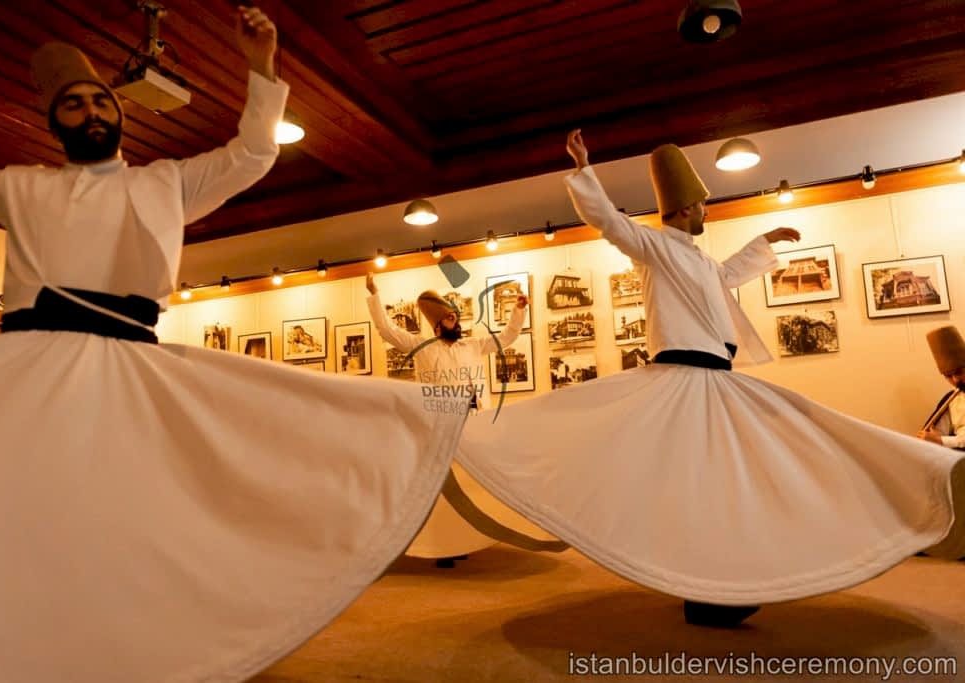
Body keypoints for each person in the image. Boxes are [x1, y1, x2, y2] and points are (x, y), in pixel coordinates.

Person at [0, 8, 469, 682]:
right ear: (54, 121)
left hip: (131, 368)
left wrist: (260, 68)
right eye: (72, 104)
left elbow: (253, 154)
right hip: (33, 367)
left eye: (101, 98)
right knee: (24, 509)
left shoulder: (165, 181)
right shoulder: (18, 186)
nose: (91, 110)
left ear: (120, 114)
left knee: (133, 514)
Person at [453, 129, 965, 628]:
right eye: (701, 204)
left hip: (716, 383)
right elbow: (609, 222)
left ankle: (720, 587)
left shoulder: (697, 258)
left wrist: (763, 241)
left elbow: (723, 276)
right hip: (680, 381)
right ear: (682, 209)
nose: (706, 210)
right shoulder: (654, 246)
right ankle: (705, 593)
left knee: (749, 468)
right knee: (698, 487)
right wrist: (586, 172)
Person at [366, 272, 565, 566]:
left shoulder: (473, 346)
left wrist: (519, 309)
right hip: (438, 430)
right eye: (449, 319)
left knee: (472, 485)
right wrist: (374, 294)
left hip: (472, 427)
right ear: (437, 324)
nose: (456, 323)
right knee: (442, 492)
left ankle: (467, 539)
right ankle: (443, 547)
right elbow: (386, 330)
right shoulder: (421, 346)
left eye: (456, 318)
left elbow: (508, 337)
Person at [919, 325, 965, 449]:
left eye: (959, 372)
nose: (955, 380)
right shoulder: (950, 399)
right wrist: (932, 437)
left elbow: (942, 440)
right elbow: (937, 432)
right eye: (948, 376)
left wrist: (942, 441)